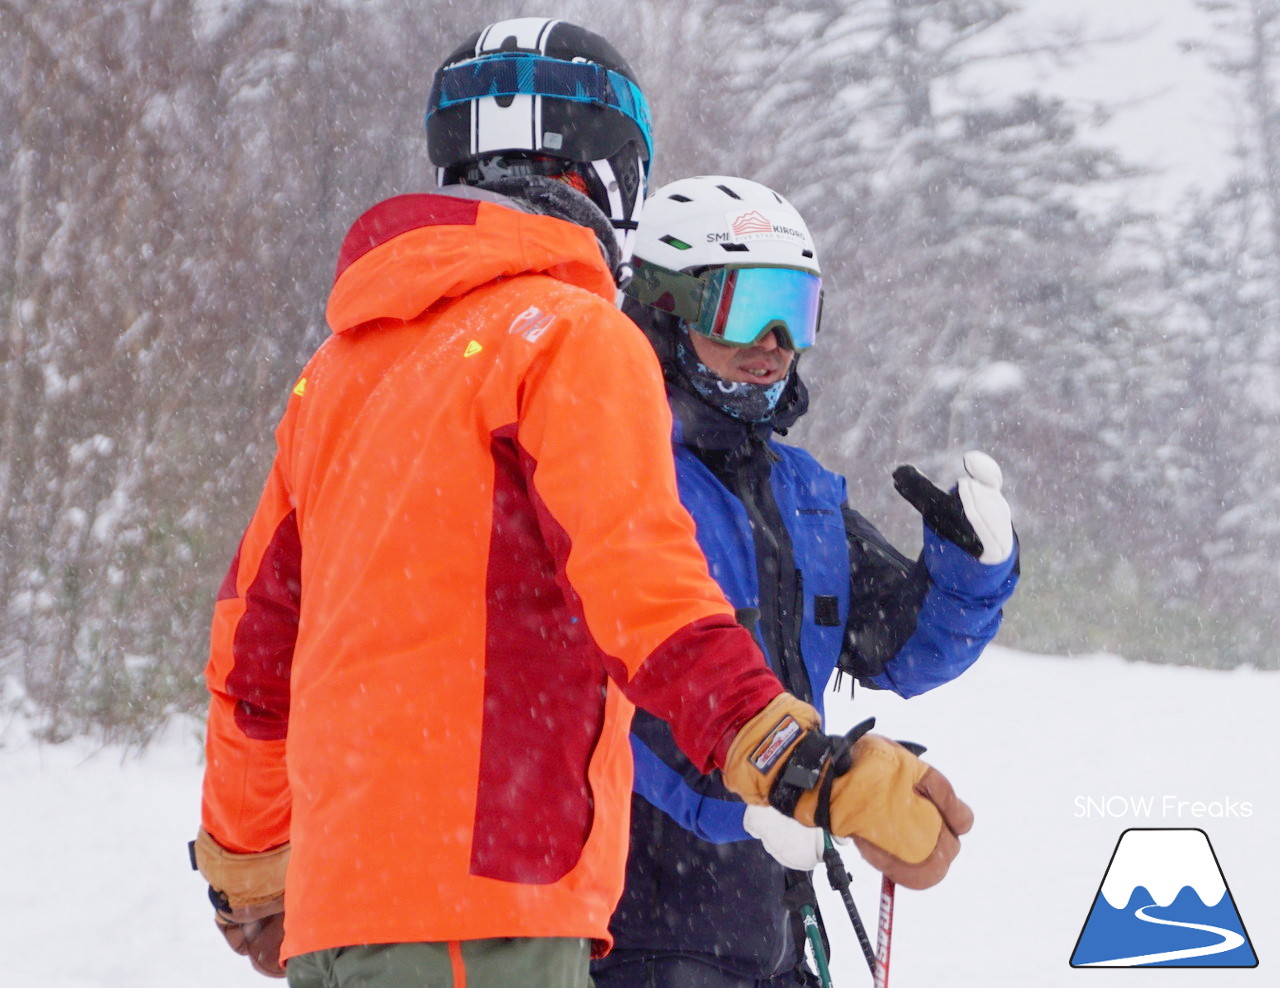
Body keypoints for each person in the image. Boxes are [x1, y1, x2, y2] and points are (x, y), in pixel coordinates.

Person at [189, 21, 974, 988]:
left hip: (337, 916)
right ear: (617, 179)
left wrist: (252, 870)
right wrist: (805, 765)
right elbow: (647, 592)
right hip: (492, 909)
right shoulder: (575, 335)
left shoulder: (345, 370)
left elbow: (252, 657)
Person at [590, 176, 1020, 988]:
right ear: (663, 310)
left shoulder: (801, 490)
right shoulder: (613, 477)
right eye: (744, 307)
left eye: (797, 309)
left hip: (775, 913)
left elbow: (901, 651)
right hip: (636, 915)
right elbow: (611, 705)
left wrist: (970, 572)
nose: (775, 341)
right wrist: (787, 793)